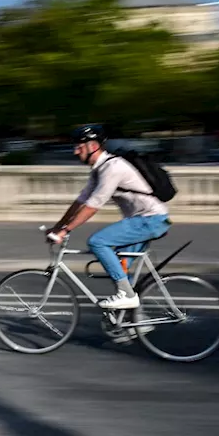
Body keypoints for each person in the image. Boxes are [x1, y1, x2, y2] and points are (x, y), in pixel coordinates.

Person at [47, 125, 171, 310]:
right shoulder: (99, 169)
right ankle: (136, 322)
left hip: (149, 219)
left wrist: (66, 230)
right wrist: (58, 226)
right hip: (143, 221)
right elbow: (80, 202)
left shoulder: (113, 167)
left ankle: (127, 295)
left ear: (93, 146)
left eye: (79, 146)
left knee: (98, 242)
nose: (75, 151)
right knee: (119, 269)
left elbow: (93, 205)